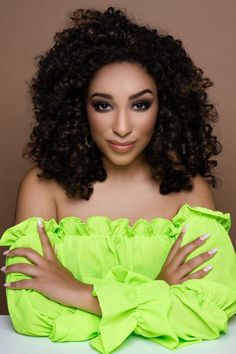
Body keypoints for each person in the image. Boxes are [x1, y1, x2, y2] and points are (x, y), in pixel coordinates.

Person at [0, 5, 236, 354]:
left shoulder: (190, 191)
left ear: (165, 107)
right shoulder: (42, 187)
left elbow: (207, 313)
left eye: (140, 105)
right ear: (78, 107)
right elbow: (29, 314)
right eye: (103, 105)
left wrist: (75, 292)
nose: (122, 127)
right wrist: (158, 293)